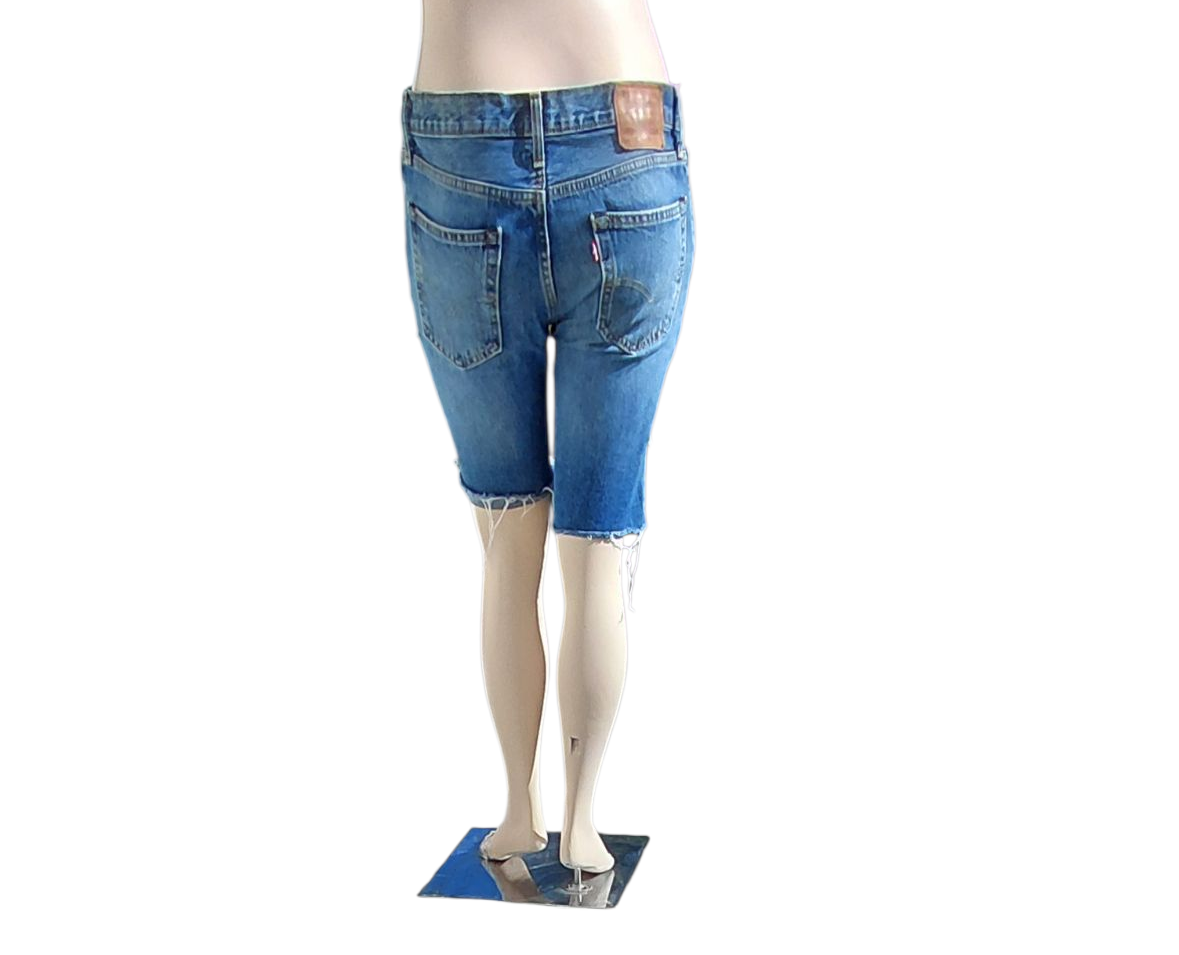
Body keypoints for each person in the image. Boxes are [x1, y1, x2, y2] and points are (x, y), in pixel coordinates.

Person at [402, 0, 695, 874]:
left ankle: (518, 814)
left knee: (506, 533)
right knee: (597, 540)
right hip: (625, 137)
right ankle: (581, 823)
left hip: (464, 138)